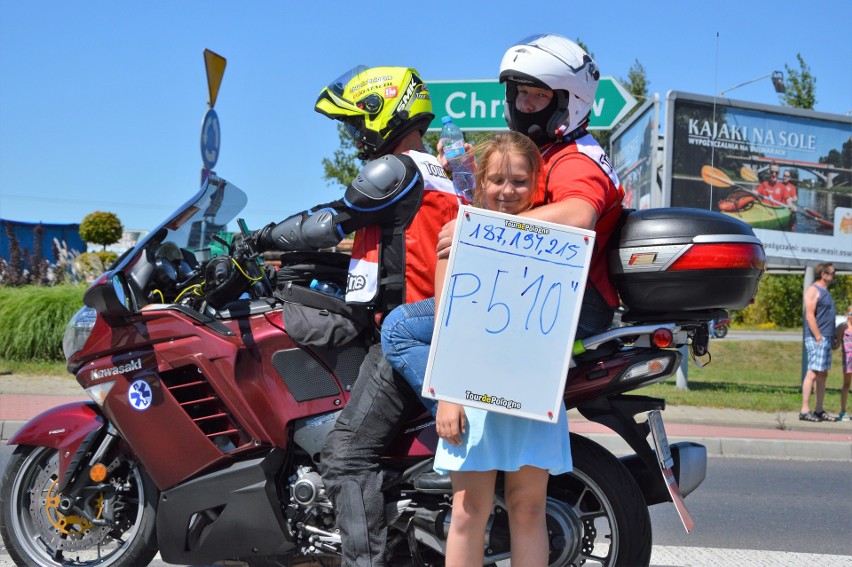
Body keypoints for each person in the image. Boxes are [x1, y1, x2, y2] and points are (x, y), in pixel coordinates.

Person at [247, 65, 464, 565]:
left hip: (406, 332)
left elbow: (327, 223)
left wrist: (259, 238)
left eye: (355, 124)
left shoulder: (394, 170)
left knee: (345, 456)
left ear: (383, 114)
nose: (353, 136)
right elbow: (395, 247)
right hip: (429, 322)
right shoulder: (437, 172)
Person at [382, 130, 570, 566]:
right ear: (480, 180)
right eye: (498, 180)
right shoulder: (459, 234)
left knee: (529, 509)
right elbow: (449, 320)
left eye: (519, 181)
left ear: (536, 183)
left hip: (531, 389)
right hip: (472, 393)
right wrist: (448, 395)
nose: (508, 191)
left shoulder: (554, 239)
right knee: (469, 511)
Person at [438, 33, 624, 338]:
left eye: (540, 95)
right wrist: (468, 175)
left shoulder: (574, 159)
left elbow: (579, 214)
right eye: (521, 92)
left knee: (400, 328)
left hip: (576, 299)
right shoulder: (552, 151)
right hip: (548, 287)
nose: (526, 104)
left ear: (569, 101)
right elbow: (519, 215)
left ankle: (461, 384)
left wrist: (479, 228)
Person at [800, 262, 838, 422]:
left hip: (826, 337)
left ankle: (819, 410)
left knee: (822, 374)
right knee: (813, 372)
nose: (834, 276)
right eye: (832, 273)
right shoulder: (813, 290)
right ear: (823, 274)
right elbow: (809, 315)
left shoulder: (825, 292)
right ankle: (804, 410)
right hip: (817, 338)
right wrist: (818, 337)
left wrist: (833, 337)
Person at [836, 305, 852, 422]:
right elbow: (836, 343)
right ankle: (843, 411)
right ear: (847, 315)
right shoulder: (843, 327)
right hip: (848, 359)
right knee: (846, 384)